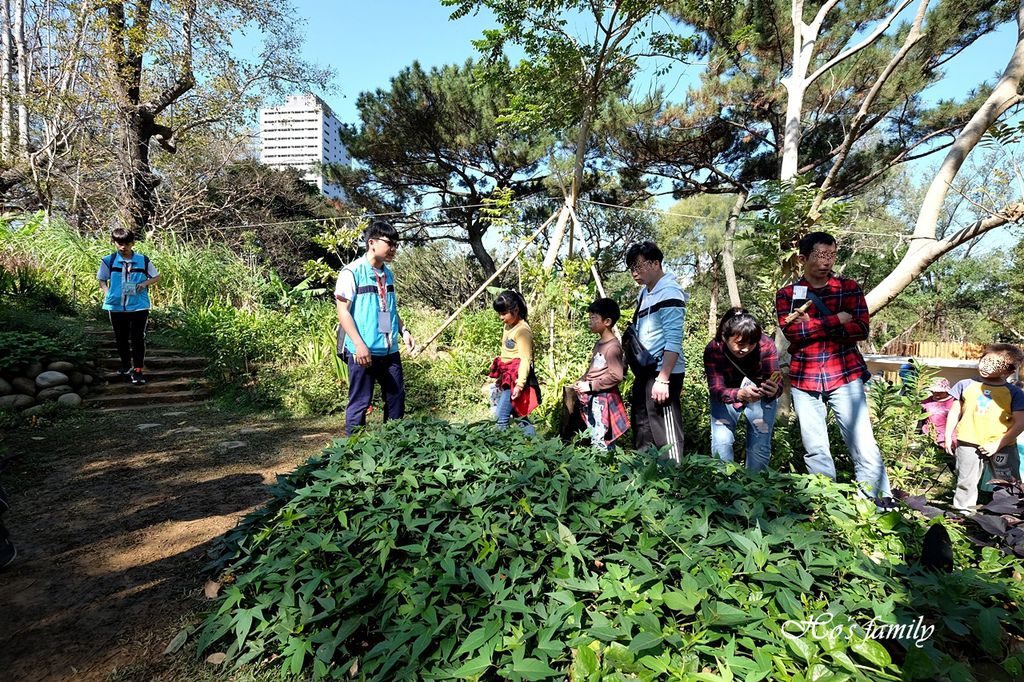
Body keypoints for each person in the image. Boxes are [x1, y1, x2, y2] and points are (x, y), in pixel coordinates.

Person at [776, 231, 895, 509]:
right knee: (815, 448)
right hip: (805, 379)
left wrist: (814, 325)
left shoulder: (849, 288)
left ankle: (877, 505)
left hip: (845, 376)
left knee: (863, 444)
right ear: (803, 258)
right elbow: (792, 331)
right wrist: (836, 321)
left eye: (830, 255)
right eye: (819, 255)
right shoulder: (788, 294)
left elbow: (861, 329)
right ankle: (825, 505)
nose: (826, 261)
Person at [335, 220, 415, 436]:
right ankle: (354, 452)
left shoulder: (387, 274)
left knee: (397, 398)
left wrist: (403, 330)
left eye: (396, 245)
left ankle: (393, 444)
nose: (393, 249)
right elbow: (343, 311)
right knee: (360, 402)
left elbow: (388, 309)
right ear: (371, 242)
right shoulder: (351, 272)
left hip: (389, 350)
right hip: (363, 351)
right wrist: (359, 345)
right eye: (389, 243)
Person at [625, 241, 688, 463]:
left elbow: (674, 339)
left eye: (638, 266)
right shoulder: (645, 294)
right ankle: (645, 475)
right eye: (631, 268)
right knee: (643, 424)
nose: (634, 272)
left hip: (663, 372)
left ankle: (672, 479)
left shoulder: (669, 292)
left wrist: (664, 378)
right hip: (646, 370)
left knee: (664, 428)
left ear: (655, 263)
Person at [943, 344, 1024, 513]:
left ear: (1008, 371)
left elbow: (1020, 423)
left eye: (996, 364)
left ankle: (1008, 515)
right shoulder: (965, 385)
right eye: (985, 360)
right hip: (967, 443)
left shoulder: (1014, 392)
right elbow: (954, 411)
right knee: (966, 481)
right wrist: (948, 435)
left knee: (1007, 482)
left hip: (1002, 446)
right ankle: (963, 513)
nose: (987, 366)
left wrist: (998, 444)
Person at [703, 308, 782, 471]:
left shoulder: (766, 345)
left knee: (759, 446)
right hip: (725, 399)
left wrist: (774, 389)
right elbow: (716, 389)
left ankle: (755, 488)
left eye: (751, 344)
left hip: (760, 399)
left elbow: (775, 380)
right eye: (740, 344)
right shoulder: (713, 349)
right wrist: (738, 394)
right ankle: (723, 486)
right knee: (721, 443)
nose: (745, 349)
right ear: (725, 337)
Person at [97, 227, 160, 385]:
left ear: (133, 243)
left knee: (138, 338)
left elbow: (156, 276)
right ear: (114, 243)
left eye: (126, 243)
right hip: (116, 307)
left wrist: (144, 283)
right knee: (121, 338)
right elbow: (102, 279)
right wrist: (108, 293)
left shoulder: (143, 260)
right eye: (119, 243)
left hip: (139, 306)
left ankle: (138, 370)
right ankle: (125, 365)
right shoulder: (108, 260)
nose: (122, 247)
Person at [569, 298, 629, 451]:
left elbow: (616, 376)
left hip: (603, 398)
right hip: (594, 396)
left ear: (607, 321)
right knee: (595, 431)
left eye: (593, 318)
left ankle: (604, 467)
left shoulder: (613, 347)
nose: (590, 321)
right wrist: (582, 379)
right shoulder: (599, 344)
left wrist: (590, 385)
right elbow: (594, 368)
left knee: (601, 436)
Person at [487, 290, 540, 432]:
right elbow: (507, 353)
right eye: (499, 313)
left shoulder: (523, 331)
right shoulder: (508, 326)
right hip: (507, 376)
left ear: (515, 310)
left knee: (500, 419)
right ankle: (535, 447)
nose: (501, 317)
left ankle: (499, 450)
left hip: (516, 379)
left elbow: (525, 359)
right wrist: (500, 377)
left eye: (504, 313)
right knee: (519, 417)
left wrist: (519, 385)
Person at [920, 378, 955, 448]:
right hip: (929, 435)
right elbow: (921, 419)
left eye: (940, 392)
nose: (936, 393)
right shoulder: (926, 401)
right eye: (934, 391)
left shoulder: (954, 402)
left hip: (947, 437)